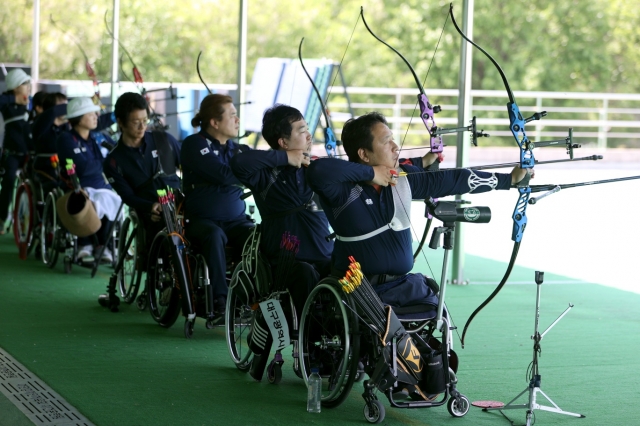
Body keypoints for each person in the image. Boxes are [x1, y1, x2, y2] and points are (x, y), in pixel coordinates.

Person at [307, 112, 533, 308]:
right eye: (386, 142)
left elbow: (453, 179)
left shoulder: (403, 178)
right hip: (356, 291)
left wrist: (509, 180)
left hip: (402, 287)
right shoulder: (341, 190)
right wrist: (371, 174)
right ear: (364, 155)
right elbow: (317, 169)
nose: (396, 147)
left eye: (394, 140)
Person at [230, 104, 332, 316]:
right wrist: (286, 158)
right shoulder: (265, 175)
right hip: (287, 262)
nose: (309, 135)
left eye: (307, 129)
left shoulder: (317, 170)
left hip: (324, 256)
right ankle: (310, 339)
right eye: (301, 130)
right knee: (305, 274)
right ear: (283, 142)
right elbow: (239, 162)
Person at [181, 93, 255, 323]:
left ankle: (253, 299)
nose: (237, 120)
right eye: (232, 115)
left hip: (236, 221)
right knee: (214, 235)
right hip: (203, 222)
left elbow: (258, 170)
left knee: (256, 237)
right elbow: (223, 174)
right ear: (214, 122)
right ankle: (220, 302)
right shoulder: (194, 144)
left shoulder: (238, 149)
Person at [103, 92, 181, 256]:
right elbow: (128, 196)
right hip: (151, 212)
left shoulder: (164, 139)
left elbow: (188, 167)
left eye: (145, 121)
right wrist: (150, 206)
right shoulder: (114, 161)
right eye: (135, 122)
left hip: (179, 203)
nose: (142, 127)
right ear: (120, 123)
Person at [55, 97, 121, 263]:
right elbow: (82, 168)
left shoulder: (99, 137)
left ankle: (103, 246)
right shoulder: (66, 139)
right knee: (103, 198)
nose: (96, 116)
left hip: (103, 185)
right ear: (78, 118)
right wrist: (106, 163)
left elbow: (119, 155)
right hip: (78, 187)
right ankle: (88, 244)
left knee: (111, 198)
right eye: (90, 113)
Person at [0, 69, 32, 234]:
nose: (28, 87)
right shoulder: (7, 103)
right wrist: (14, 98)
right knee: (8, 181)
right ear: (15, 87)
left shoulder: (31, 102)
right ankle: (1, 218)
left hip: (30, 153)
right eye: (24, 84)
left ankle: (33, 222)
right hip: (11, 153)